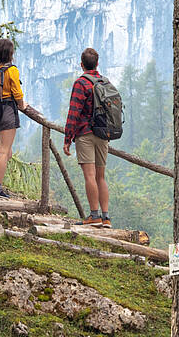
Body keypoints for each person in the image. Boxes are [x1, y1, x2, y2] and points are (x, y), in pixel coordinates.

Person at [63, 48, 111, 228]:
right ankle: (106, 217)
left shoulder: (81, 83)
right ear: (97, 64)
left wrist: (68, 138)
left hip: (85, 134)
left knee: (89, 176)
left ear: (81, 64)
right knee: (101, 177)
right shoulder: (105, 82)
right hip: (103, 134)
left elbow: (74, 112)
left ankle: (94, 216)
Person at [0, 38, 27, 199]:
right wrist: (22, 105)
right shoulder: (11, 70)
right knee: (4, 152)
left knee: (5, 152)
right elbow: (17, 92)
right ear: (10, 53)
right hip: (6, 111)